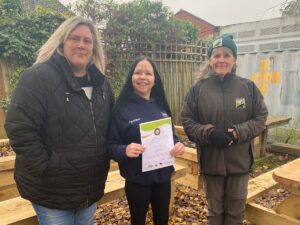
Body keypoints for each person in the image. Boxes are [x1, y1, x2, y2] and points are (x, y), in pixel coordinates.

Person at [5, 16, 114, 225]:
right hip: (51, 189)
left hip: (90, 187)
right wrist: (46, 167)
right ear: (62, 43)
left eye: (87, 40)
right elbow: (19, 128)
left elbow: (110, 125)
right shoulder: (38, 77)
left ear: (94, 48)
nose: (81, 45)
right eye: (75, 38)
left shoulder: (102, 85)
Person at [181, 34, 268, 225]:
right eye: (217, 55)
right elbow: (187, 120)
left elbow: (261, 117)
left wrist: (237, 132)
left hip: (239, 164)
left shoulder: (248, 87)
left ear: (234, 59)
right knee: (215, 212)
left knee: (235, 214)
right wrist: (209, 133)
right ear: (210, 60)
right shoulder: (198, 90)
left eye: (226, 55)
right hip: (211, 163)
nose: (221, 60)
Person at [108, 55, 185, 225]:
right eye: (138, 73)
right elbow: (111, 145)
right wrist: (124, 150)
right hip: (137, 181)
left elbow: (171, 136)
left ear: (154, 79)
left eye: (148, 73)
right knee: (138, 221)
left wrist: (178, 144)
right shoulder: (121, 109)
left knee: (162, 220)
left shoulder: (161, 105)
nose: (143, 77)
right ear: (131, 78)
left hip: (163, 178)